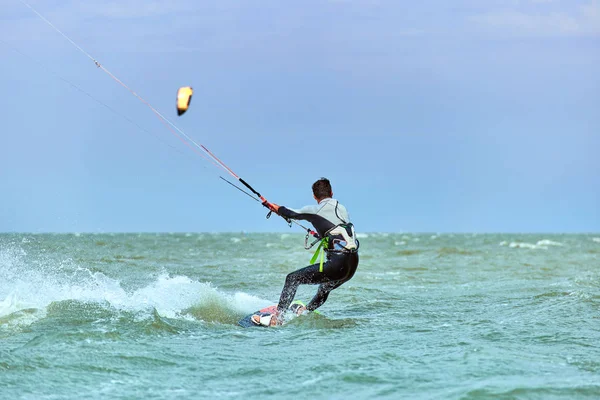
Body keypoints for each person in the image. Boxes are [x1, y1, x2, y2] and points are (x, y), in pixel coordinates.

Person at [251, 178, 359, 326]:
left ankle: (278, 318)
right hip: (352, 265)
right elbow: (335, 229)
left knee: (292, 279)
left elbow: (291, 213)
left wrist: (272, 206)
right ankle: (305, 310)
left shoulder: (316, 210)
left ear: (314, 196)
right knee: (325, 287)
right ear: (332, 192)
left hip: (337, 264)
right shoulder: (342, 208)